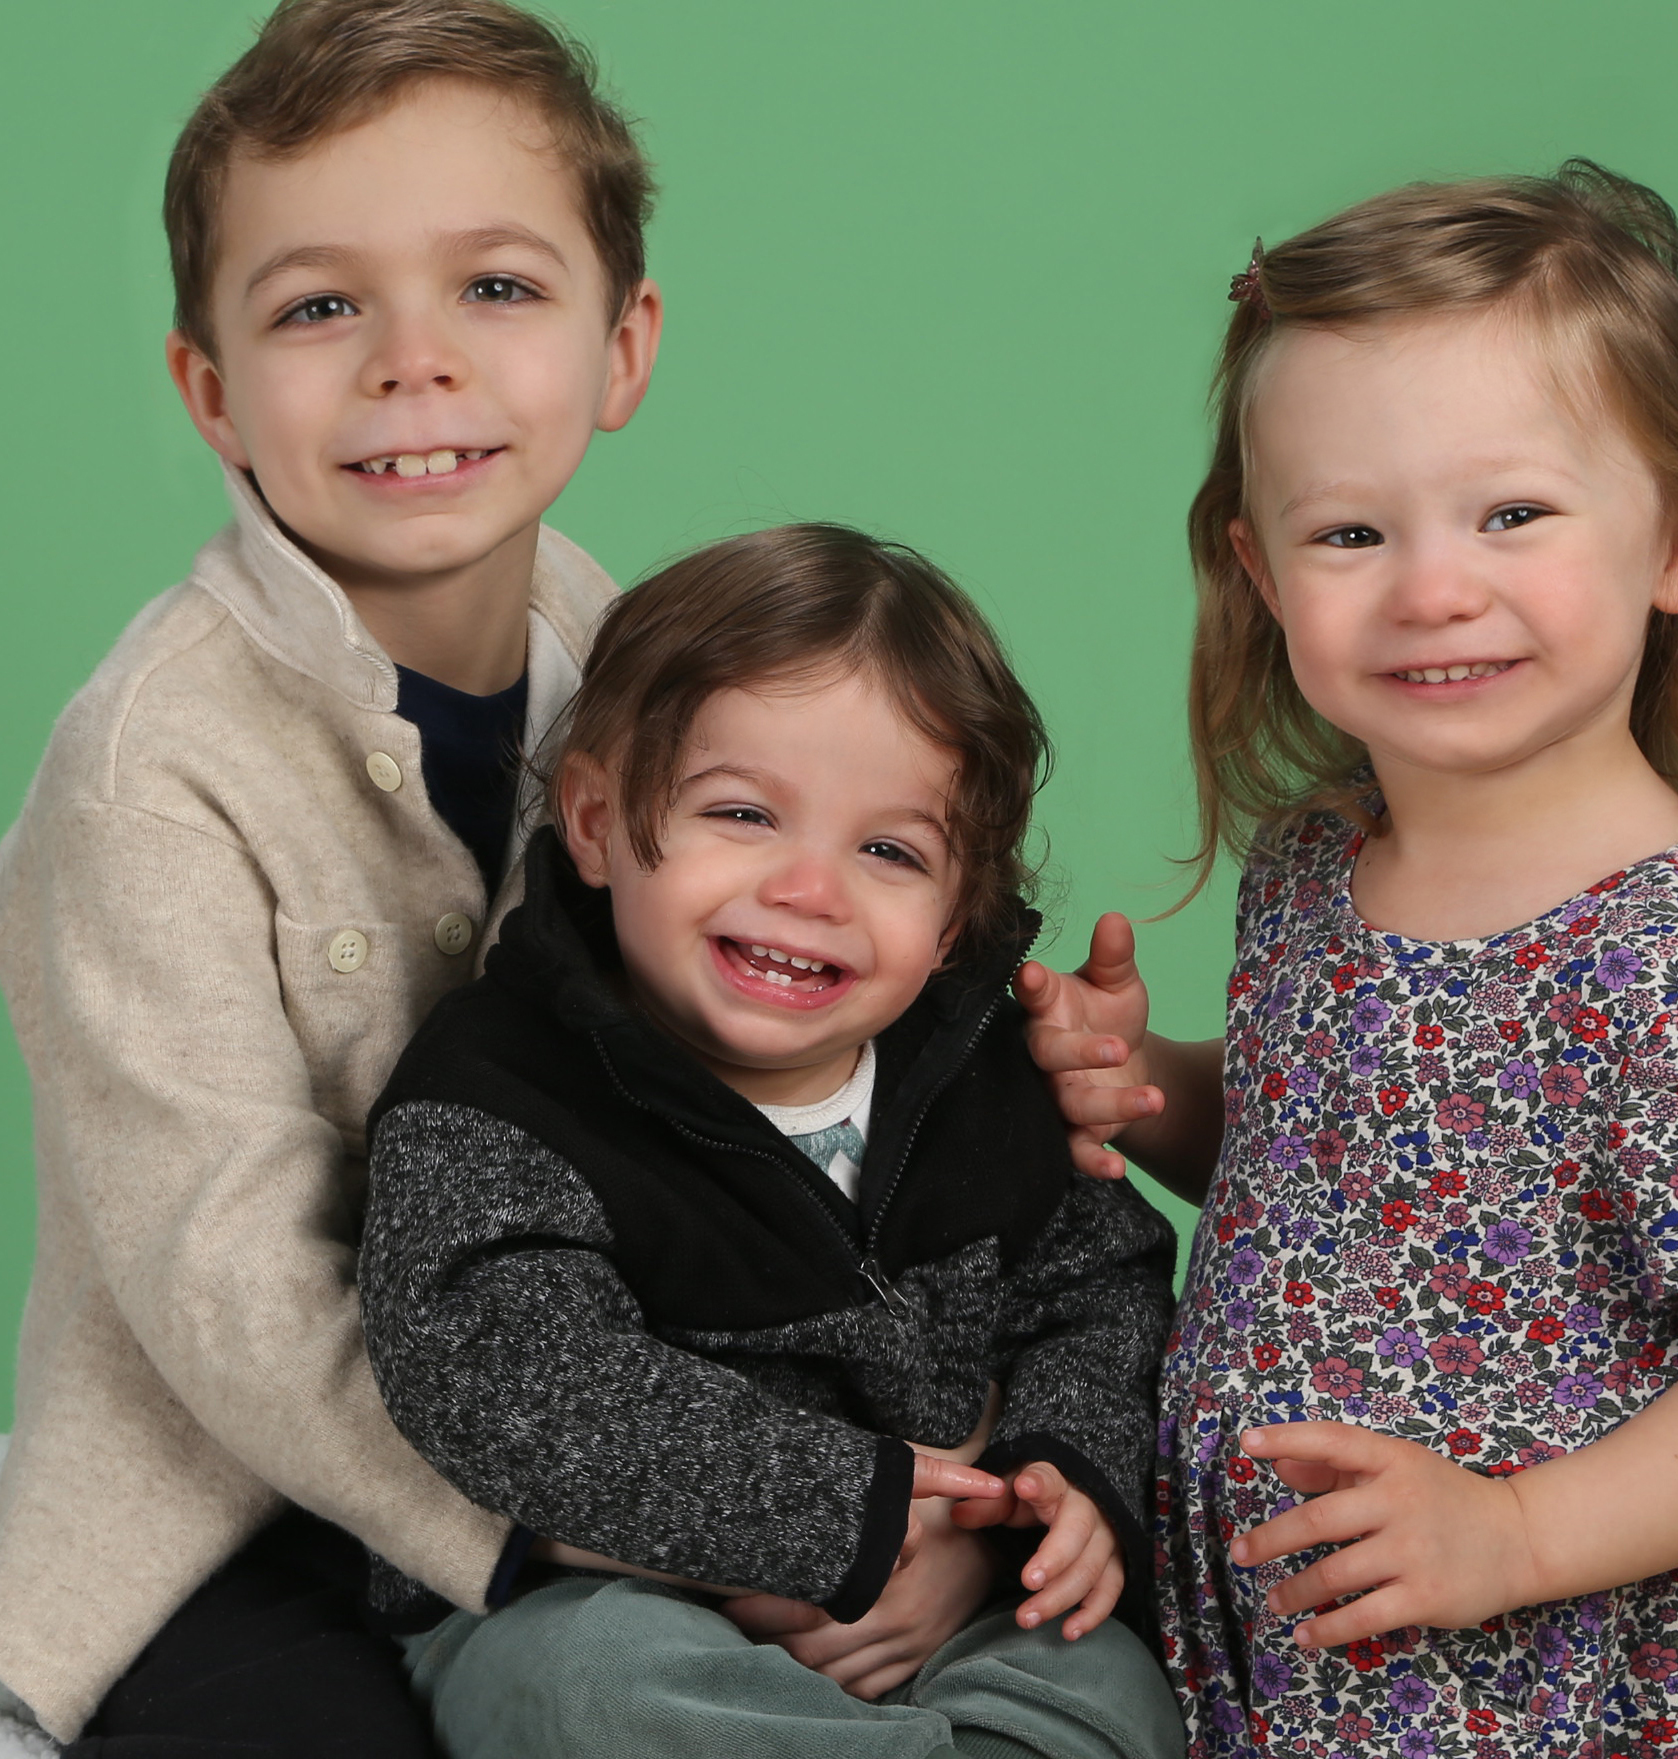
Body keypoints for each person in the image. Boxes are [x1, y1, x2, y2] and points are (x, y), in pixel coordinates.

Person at [1016, 166, 1678, 1756]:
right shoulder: (1317, 859)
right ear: (1260, 571)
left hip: (1526, 1678)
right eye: (1349, 531)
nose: (1432, 588)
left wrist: (1516, 1532)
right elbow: (1329, 1164)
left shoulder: (1672, 959)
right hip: (1286, 1644)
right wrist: (1144, 1083)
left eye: (1511, 514)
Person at [0, 0, 664, 1755]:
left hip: (574, 1416)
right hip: (236, 1506)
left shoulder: (642, 663)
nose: (411, 360)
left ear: (621, 347)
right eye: (318, 304)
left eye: (495, 288)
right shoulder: (148, 769)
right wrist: (582, 1515)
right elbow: (226, 1279)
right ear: (209, 388)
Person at [358, 525, 1187, 1759]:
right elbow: (499, 1375)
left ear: (954, 921)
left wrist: (1052, 1479)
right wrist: (838, 1515)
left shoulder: (985, 1073)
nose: (809, 890)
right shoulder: (499, 1087)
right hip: (603, 1593)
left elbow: (1100, 1289)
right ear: (594, 820)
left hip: (944, 1586)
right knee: (592, 1688)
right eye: (742, 813)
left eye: (888, 851)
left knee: (1105, 1680)